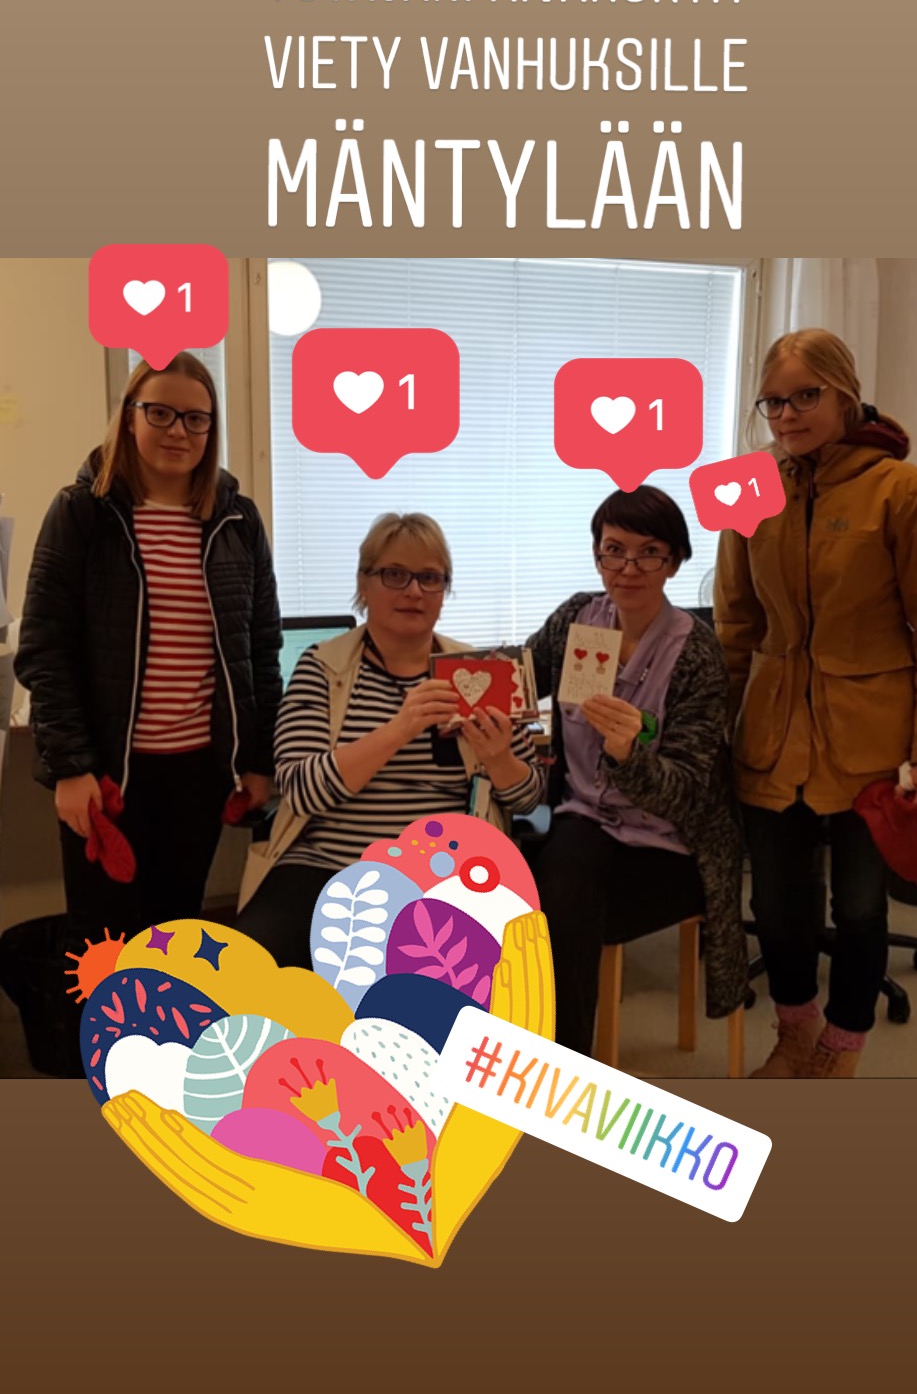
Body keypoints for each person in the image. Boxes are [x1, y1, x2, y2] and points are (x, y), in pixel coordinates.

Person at [714, 328, 917, 1078]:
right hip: (771, 735)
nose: (787, 415)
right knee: (778, 903)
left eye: (806, 395)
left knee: (860, 906)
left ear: (846, 394)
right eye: (773, 402)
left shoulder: (907, 493)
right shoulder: (747, 487)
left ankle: (842, 1045)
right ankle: (795, 1031)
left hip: (872, 744)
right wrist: (715, 730)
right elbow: (735, 625)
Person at [16, 350, 282, 960]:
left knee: (176, 936)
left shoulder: (238, 521)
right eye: (160, 412)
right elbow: (45, 650)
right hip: (107, 773)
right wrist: (70, 767)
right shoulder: (82, 512)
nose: (178, 431)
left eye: (196, 419)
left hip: (200, 774)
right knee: (101, 947)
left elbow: (260, 650)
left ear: (211, 429)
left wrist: (258, 759)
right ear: (129, 416)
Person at [235, 512, 544, 967]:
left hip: (444, 874)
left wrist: (499, 759)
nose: (414, 591)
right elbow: (300, 791)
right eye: (394, 574)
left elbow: (527, 798)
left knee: (459, 980)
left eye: (429, 578)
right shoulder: (323, 667)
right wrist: (400, 729)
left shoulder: (481, 672)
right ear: (364, 584)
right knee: (245, 970)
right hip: (327, 865)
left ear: (444, 591)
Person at [525, 486, 748, 1057]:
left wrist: (629, 756)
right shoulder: (579, 620)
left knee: (563, 902)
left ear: (674, 562)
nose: (628, 567)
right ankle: (548, 1054)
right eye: (613, 550)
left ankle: (561, 1066)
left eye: (649, 553)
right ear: (597, 554)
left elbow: (688, 794)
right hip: (586, 817)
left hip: (669, 840)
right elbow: (520, 679)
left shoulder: (695, 652)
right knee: (522, 878)